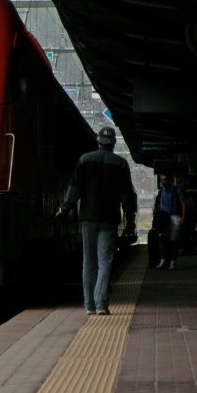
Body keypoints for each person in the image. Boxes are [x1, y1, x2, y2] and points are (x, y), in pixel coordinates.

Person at [55, 126, 137, 316]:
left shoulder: (84, 160)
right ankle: (101, 304)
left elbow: (74, 189)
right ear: (113, 144)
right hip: (109, 219)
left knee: (88, 262)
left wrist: (64, 209)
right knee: (105, 261)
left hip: (89, 218)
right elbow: (126, 195)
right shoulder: (121, 164)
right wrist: (130, 218)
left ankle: (89, 305)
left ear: (98, 141)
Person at [153, 173, 187, 270]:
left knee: (174, 240)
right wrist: (156, 217)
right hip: (164, 217)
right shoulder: (161, 192)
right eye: (162, 180)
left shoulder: (176, 190)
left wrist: (183, 217)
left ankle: (173, 262)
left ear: (170, 180)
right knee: (162, 238)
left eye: (165, 179)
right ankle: (163, 260)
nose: (163, 181)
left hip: (175, 217)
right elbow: (158, 204)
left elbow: (183, 203)